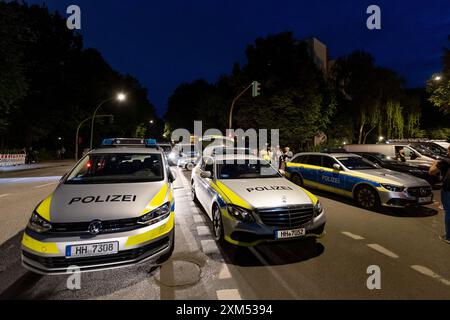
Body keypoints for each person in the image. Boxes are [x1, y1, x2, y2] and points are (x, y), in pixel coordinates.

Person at [429, 145, 450, 244]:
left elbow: (431, 172)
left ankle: (448, 237)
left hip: (448, 190)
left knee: (449, 213)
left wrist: (434, 163)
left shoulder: (446, 161)